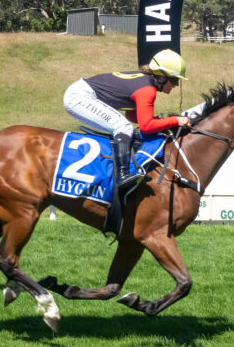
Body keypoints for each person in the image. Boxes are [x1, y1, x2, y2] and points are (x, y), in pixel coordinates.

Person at [63, 49, 191, 233]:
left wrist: (162, 122)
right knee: (123, 128)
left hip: (80, 92)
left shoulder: (146, 82)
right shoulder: (147, 89)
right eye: (175, 80)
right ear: (162, 77)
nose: (176, 85)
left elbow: (132, 114)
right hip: (79, 97)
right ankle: (122, 175)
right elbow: (146, 126)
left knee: (123, 125)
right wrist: (176, 120)